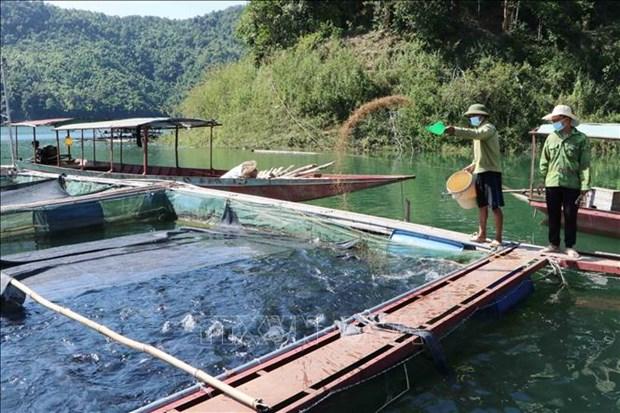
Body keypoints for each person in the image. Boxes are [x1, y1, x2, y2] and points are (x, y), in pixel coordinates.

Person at [445, 103, 504, 248]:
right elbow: (479, 156)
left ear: (481, 116)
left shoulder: (488, 128)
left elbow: (477, 134)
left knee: (494, 206)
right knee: (482, 205)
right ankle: (482, 235)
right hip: (480, 172)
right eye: (470, 117)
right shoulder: (479, 130)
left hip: (491, 172)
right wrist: (472, 165)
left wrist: (455, 130)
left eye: (473, 116)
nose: (471, 118)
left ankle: (498, 238)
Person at [539, 105, 590, 258]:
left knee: (570, 216)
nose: (554, 122)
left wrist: (585, 185)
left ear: (567, 120)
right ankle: (553, 244)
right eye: (553, 120)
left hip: (572, 183)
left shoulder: (581, 139)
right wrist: (543, 179)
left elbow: (585, 164)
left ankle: (570, 246)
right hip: (552, 182)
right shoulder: (551, 137)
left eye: (556, 120)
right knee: (553, 215)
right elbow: (544, 161)